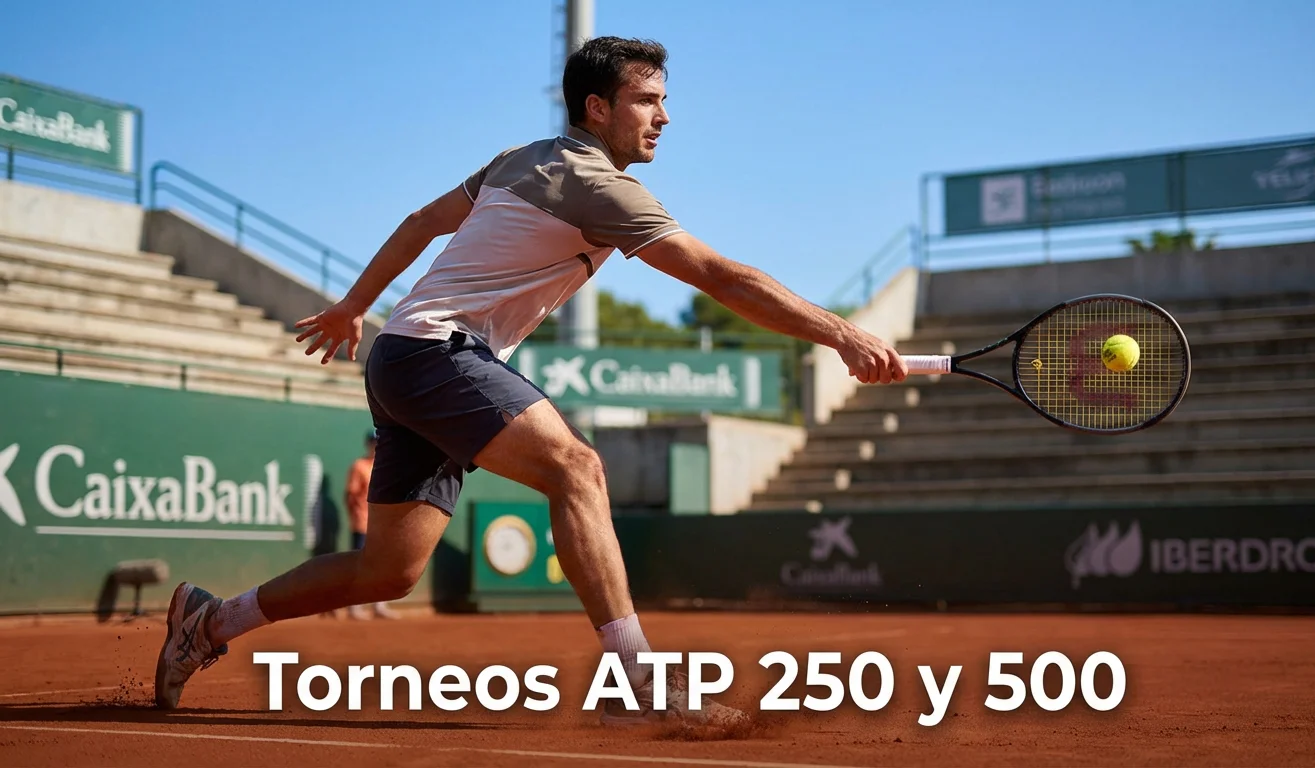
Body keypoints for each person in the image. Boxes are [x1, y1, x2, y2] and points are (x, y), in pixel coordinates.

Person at [154, 36, 908, 725]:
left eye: (664, 101)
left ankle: (209, 620)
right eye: (649, 100)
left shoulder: (520, 157)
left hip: (402, 352)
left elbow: (421, 221)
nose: (665, 118)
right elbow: (720, 277)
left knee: (388, 570)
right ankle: (640, 685)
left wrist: (357, 307)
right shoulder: (600, 187)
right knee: (577, 468)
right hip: (438, 352)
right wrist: (840, 332)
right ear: (598, 106)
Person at [345, 430, 401, 620]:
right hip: (362, 523)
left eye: (379, 444)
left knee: (383, 566)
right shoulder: (359, 466)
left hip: (382, 525)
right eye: (373, 444)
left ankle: (380, 607)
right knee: (360, 567)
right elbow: (351, 495)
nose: (376, 448)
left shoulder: (386, 467)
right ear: (368, 445)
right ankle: (354, 608)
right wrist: (355, 516)